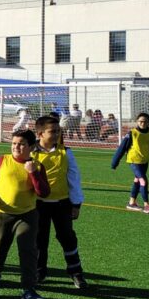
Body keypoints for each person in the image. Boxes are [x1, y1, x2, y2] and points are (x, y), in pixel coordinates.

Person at [0, 129, 51, 299]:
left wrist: (33, 172)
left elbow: (44, 193)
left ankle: (28, 288)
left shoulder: (37, 166)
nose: (16, 147)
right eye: (13, 143)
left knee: (28, 250)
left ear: (31, 147)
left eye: (21, 144)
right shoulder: (2, 160)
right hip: (1, 213)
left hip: (27, 215)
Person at [31, 115, 88, 289]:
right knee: (39, 240)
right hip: (37, 205)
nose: (56, 134)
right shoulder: (31, 153)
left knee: (68, 238)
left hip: (62, 204)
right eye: (52, 131)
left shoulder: (66, 152)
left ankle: (76, 273)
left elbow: (74, 179)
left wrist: (76, 204)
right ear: (40, 133)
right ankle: (39, 272)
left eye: (58, 131)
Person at [111, 112, 149, 214]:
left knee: (137, 181)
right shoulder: (132, 133)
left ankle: (131, 203)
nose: (142, 123)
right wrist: (115, 162)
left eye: (145, 122)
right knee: (143, 181)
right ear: (137, 122)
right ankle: (146, 205)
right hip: (134, 161)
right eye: (140, 121)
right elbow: (121, 149)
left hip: (144, 162)